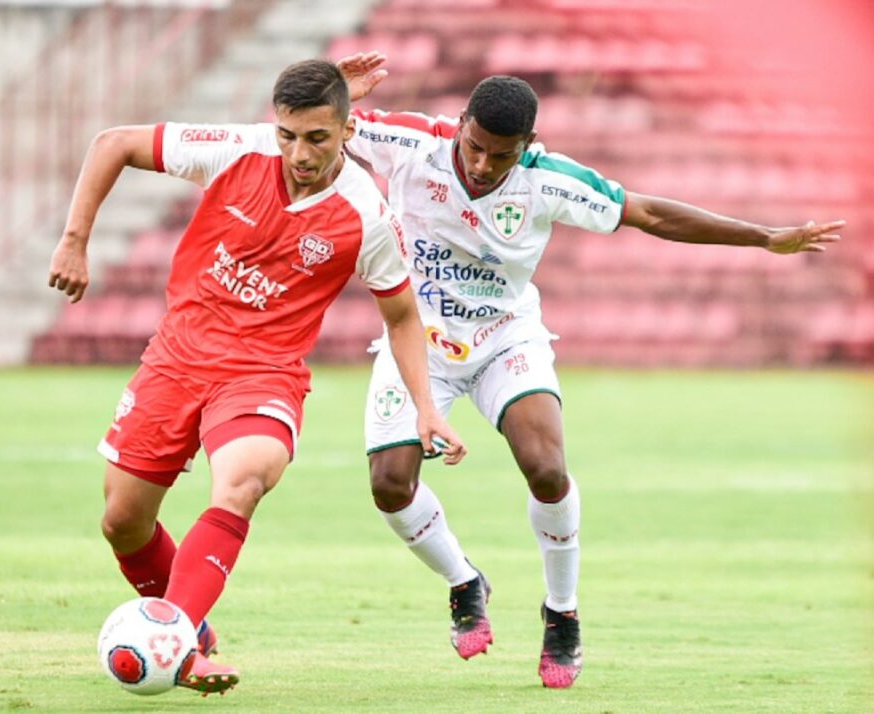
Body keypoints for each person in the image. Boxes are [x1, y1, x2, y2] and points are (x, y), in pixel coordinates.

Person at [337, 51, 844, 689]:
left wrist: (765, 237)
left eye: (502, 154)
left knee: (547, 468)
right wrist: (335, 91)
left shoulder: (549, 180)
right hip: (420, 340)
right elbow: (312, 128)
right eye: (475, 146)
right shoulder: (411, 143)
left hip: (505, 337)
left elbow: (651, 214)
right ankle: (465, 581)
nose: (483, 164)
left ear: (529, 145)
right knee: (389, 483)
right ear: (460, 123)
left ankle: (562, 612)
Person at [47, 58, 466, 697]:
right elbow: (115, 143)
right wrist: (74, 240)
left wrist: (427, 409)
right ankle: (195, 634)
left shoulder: (364, 215)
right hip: (177, 358)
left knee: (241, 482)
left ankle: (177, 639)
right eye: (289, 135)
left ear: (349, 130)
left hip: (262, 375)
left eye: (318, 138)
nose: (300, 153)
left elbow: (403, 316)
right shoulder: (237, 151)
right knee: (122, 522)